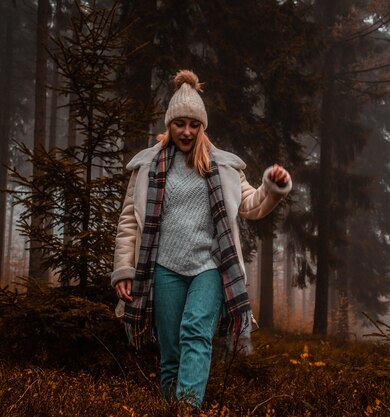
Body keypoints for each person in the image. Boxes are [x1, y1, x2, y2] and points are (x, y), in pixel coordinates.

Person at [111, 69, 291, 408]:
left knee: (195, 334)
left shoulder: (223, 166)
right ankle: (172, 409)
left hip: (208, 268)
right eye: (180, 124)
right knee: (170, 352)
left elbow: (251, 206)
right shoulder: (147, 166)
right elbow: (128, 223)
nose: (187, 131)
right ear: (169, 124)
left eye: (194, 125)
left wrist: (271, 186)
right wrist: (124, 269)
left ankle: (186, 410)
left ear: (203, 127)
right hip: (163, 268)